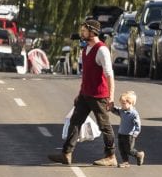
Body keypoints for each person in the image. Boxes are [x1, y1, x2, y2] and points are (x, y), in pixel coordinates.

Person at [49, 21, 118, 167]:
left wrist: (111, 97)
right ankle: (66, 154)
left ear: (93, 32)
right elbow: (86, 75)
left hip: (99, 96)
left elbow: (109, 75)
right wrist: (80, 94)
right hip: (85, 95)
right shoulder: (86, 48)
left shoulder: (102, 50)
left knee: (104, 126)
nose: (82, 33)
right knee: (75, 122)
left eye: (84, 31)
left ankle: (111, 156)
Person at [115, 90, 144, 167]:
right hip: (121, 133)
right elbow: (116, 110)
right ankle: (125, 162)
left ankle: (138, 154)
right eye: (121, 103)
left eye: (123, 103)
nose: (121, 105)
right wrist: (111, 107)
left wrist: (135, 133)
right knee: (122, 149)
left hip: (129, 135)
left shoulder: (133, 114)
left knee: (129, 150)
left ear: (130, 103)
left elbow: (138, 124)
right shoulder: (122, 110)